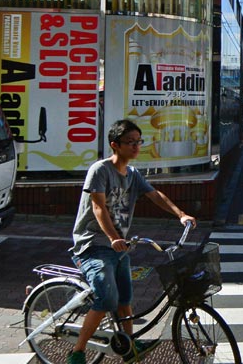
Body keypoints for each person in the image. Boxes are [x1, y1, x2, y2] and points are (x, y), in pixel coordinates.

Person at [67, 119, 196, 364]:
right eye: (130, 142)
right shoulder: (100, 170)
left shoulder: (133, 174)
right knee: (107, 298)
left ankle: (129, 347)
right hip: (93, 245)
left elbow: (155, 195)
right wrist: (114, 237)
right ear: (115, 145)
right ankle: (78, 352)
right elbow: (98, 207)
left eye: (139, 142)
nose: (136, 147)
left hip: (119, 247)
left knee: (125, 301)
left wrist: (181, 215)